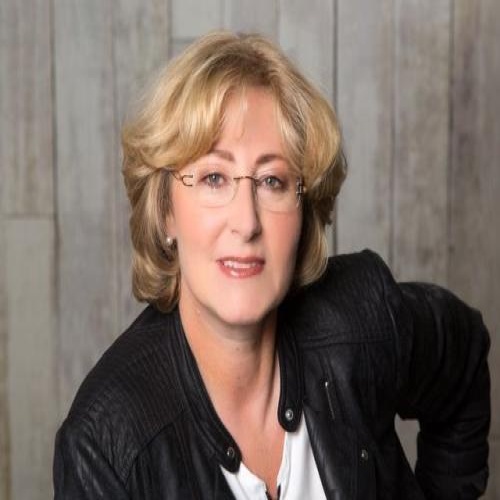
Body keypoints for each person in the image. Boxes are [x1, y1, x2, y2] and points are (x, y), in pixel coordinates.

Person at [53, 31, 490, 499]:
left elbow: (462, 358)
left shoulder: (364, 319)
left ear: (304, 209)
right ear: (165, 213)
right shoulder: (105, 446)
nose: (246, 222)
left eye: (272, 181)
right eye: (214, 177)